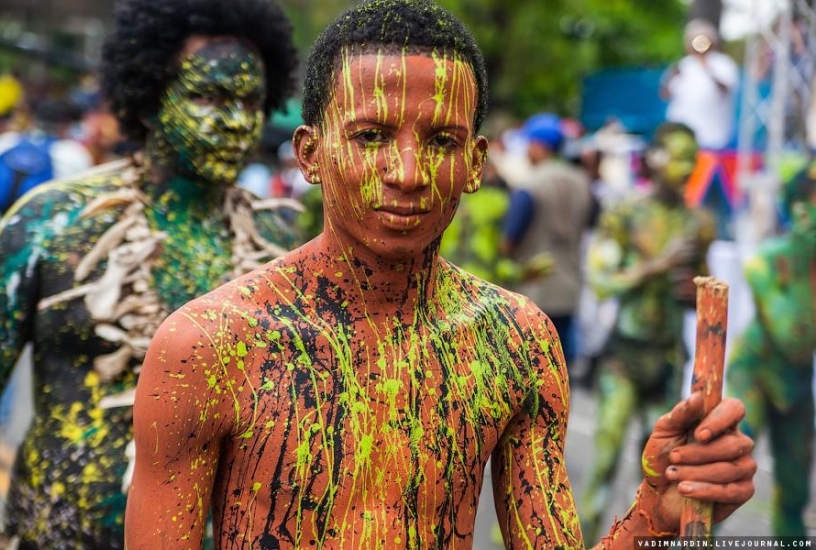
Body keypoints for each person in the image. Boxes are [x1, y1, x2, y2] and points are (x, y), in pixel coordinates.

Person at [126, 2, 756, 548]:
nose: (407, 171)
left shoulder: (514, 343)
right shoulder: (209, 347)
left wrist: (658, 513)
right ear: (310, 154)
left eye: (442, 141)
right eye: (371, 136)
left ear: (477, 162)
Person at [0, 0, 298, 547]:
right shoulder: (51, 223)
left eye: (251, 101)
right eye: (207, 96)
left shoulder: (277, 246)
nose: (235, 120)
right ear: (151, 99)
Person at [578, 121, 719, 544]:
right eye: (677, 156)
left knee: (658, 474)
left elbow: (707, 293)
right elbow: (602, 281)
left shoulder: (699, 224)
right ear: (655, 159)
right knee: (603, 462)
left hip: (667, 357)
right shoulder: (627, 214)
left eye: (691, 158)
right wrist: (656, 266)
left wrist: (694, 289)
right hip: (623, 355)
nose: (686, 167)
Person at [725, 161, 816, 536]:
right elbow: (791, 337)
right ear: (799, 209)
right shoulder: (765, 263)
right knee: (725, 476)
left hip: (796, 382)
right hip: (755, 373)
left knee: (795, 494)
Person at [498, 112, 594, 365]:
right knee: (559, 369)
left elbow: (509, 241)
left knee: (527, 368)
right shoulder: (582, 182)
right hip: (570, 288)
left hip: (533, 290)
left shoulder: (529, 185)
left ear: (539, 146)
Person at [660, 19, 739, 151]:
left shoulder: (722, 63)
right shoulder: (683, 64)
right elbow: (665, 95)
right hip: (681, 136)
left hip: (713, 137)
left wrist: (708, 69)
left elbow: (727, 89)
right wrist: (670, 79)